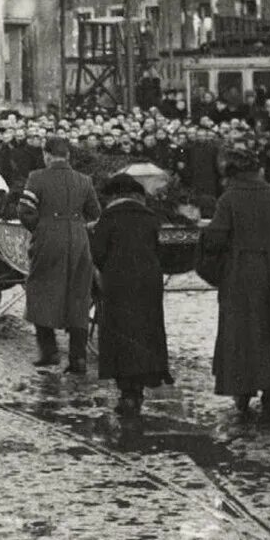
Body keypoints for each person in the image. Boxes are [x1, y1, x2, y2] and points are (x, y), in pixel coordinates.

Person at [196, 148, 270, 423]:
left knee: (244, 333)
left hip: (243, 277)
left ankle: (243, 389)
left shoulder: (229, 199)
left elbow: (214, 239)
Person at [90, 174, 172, 432]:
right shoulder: (150, 218)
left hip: (118, 284)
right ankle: (140, 388)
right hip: (148, 283)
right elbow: (163, 251)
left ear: (113, 196)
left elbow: (97, 253)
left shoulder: (108, 218)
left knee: (121, 335)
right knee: (145, 333)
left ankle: (127, 393)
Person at [19, 136, 101, 374]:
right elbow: (95, 215)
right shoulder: (84, 181)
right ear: (68, 156)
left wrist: (41, 228)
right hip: (78, 241)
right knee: (79, 296)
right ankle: (78, 359)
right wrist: (77, 228)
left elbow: (25, 210)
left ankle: (49, 351)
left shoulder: (37, 178)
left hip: (48, 240)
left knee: (39, 290)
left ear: (46, 155)